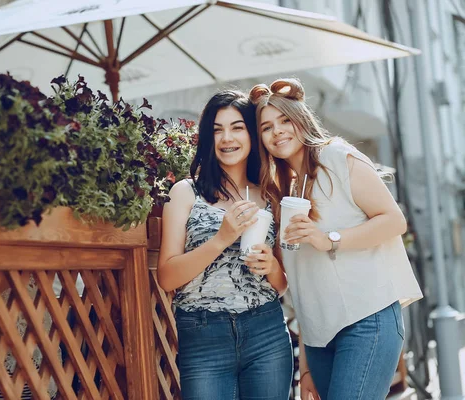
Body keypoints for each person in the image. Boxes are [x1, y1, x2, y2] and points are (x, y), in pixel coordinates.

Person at [249, 78, 423, 400]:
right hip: (317, 339)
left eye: (285, 120)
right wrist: (305, 368)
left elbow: (393, 220)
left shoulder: (337, 158)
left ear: (301, 119)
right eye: (267, 127)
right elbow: (302, 284)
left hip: (366, 321)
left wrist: (328, 238)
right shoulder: (284, 192)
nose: (278, 132)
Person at [157, 89, 293, 400]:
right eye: (217, 130)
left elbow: (282, 284)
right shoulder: (185, 193)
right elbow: (166, 277)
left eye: (236, 127)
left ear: (252, 134)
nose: (226, 138)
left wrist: (272, 266)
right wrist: (222, 238)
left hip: (266, 331)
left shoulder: (272, 196)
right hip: (203, 334)